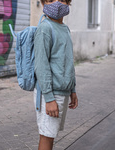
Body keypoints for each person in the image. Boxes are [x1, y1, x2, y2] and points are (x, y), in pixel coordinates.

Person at [34, 0, 78, 150]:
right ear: (44, 3)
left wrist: (72, 89)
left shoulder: (64, 28)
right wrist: (49, 98)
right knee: (46, 137)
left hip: (62, 91)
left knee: (50, 135)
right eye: (51, 0)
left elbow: (68, 60)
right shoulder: (45, 28)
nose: (58, 3)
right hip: (50, 93)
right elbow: (41, 65)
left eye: (63, 0)